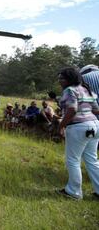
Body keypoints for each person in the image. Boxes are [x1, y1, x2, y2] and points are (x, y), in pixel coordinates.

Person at [56, 67, 99, 200]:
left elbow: (72, 110)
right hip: (94, 126)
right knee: (92, 160)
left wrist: (61, 125)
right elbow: (97, 110)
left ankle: (73, 192)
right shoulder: (87, 90)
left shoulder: (70, 90)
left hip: (78, 128)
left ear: (69, 79)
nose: (59, 81)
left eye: (61, 78)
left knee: (73, 160)